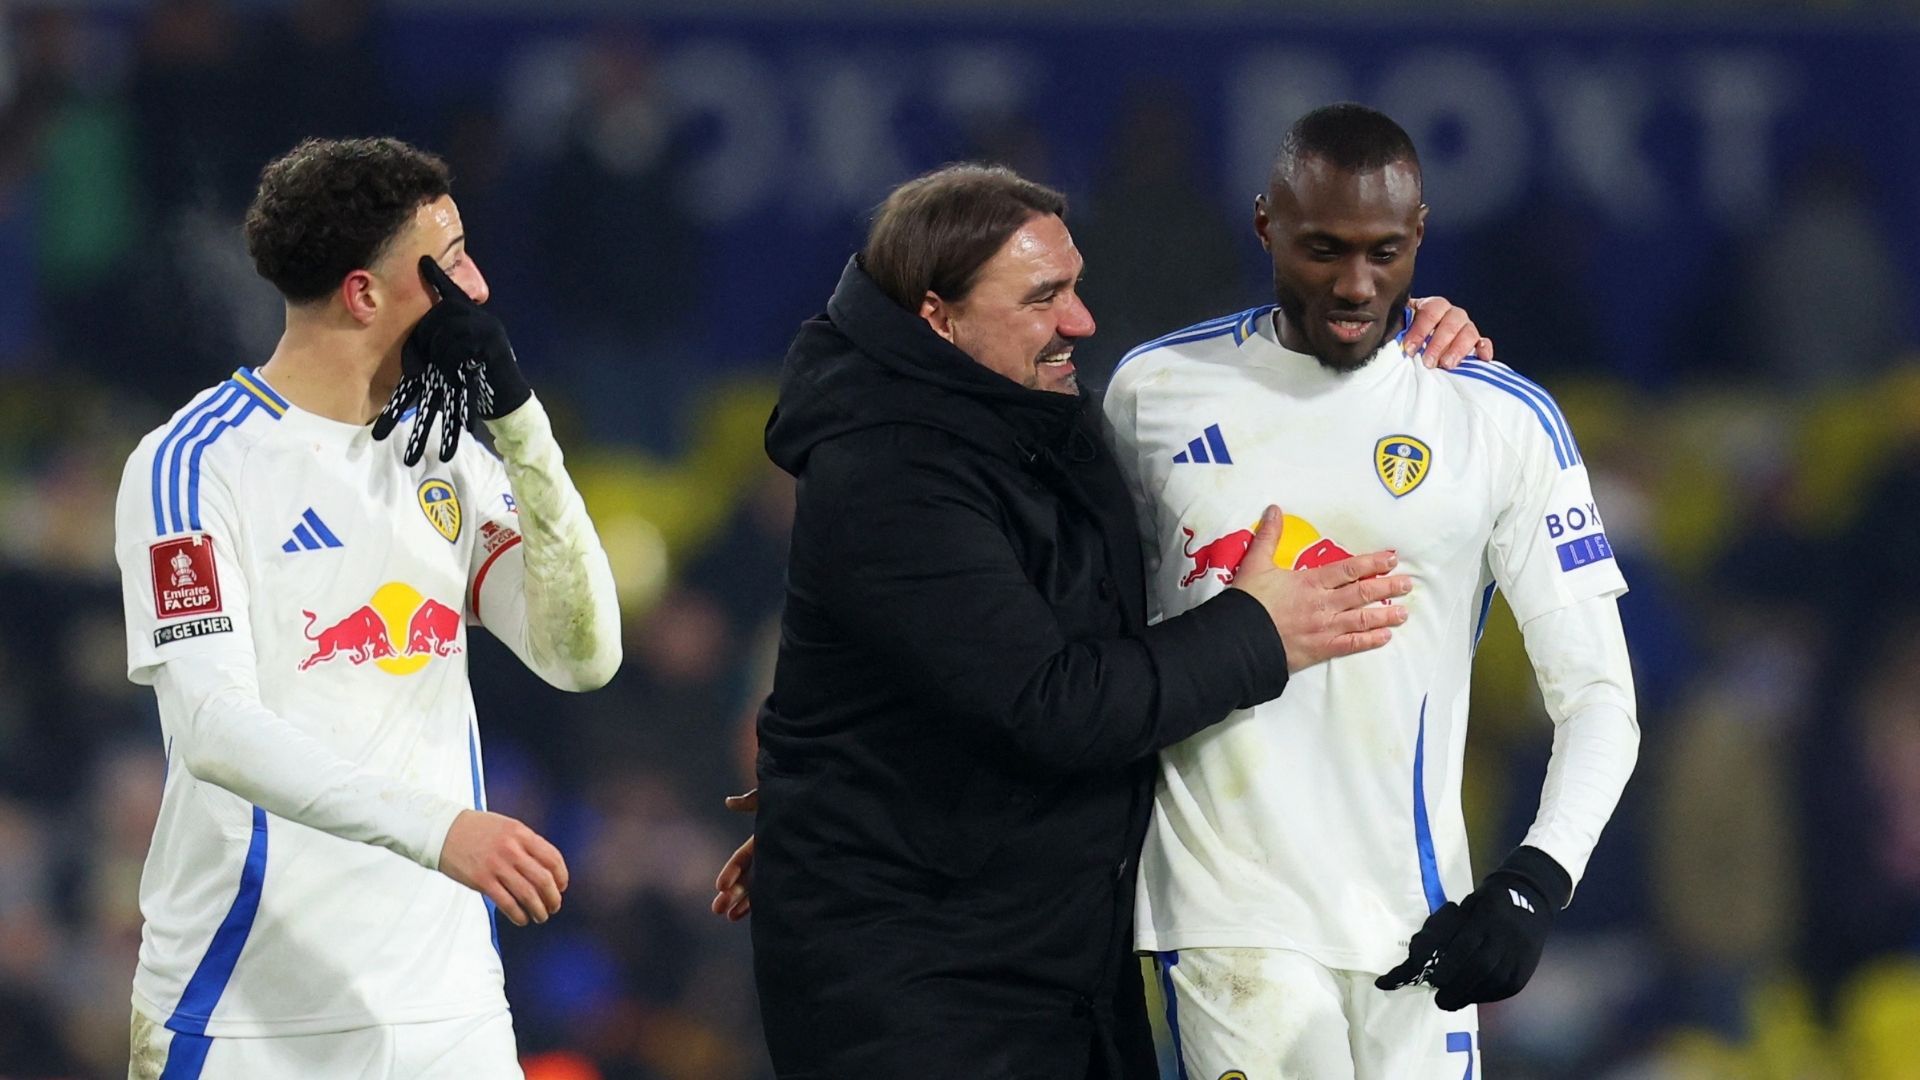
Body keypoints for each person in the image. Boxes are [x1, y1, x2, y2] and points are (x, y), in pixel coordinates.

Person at [731, 163, 1493, 1079]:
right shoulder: (891, 475)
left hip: (1047, 961)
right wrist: (1259, 629)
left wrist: (1396, 349)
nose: (1081, 321)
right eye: (1044, 296)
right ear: (938, 316)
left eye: (1078, 285)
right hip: (922, 986)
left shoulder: (1025, 417)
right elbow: (1052, 702)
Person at [1104, 104, 1639, 1079]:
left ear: (1421, 236)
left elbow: (1600, 696)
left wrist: (1534, 881)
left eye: (1384, 252)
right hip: (1224, 911)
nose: (1355, 285)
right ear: (1265, 225)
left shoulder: (1497, 415)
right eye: (1322, 250)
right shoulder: (1153, 392)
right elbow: (1092, 653)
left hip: (1415, 917)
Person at [113, 136, 622, 1078]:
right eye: (451, 259)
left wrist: (519, 419)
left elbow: (580, 655)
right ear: (364, 294)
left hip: (450, 1011)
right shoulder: (193, 465)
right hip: (252, 1014)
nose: (477, 286)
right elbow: (216, 729)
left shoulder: (450, 458)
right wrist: (442, 831)